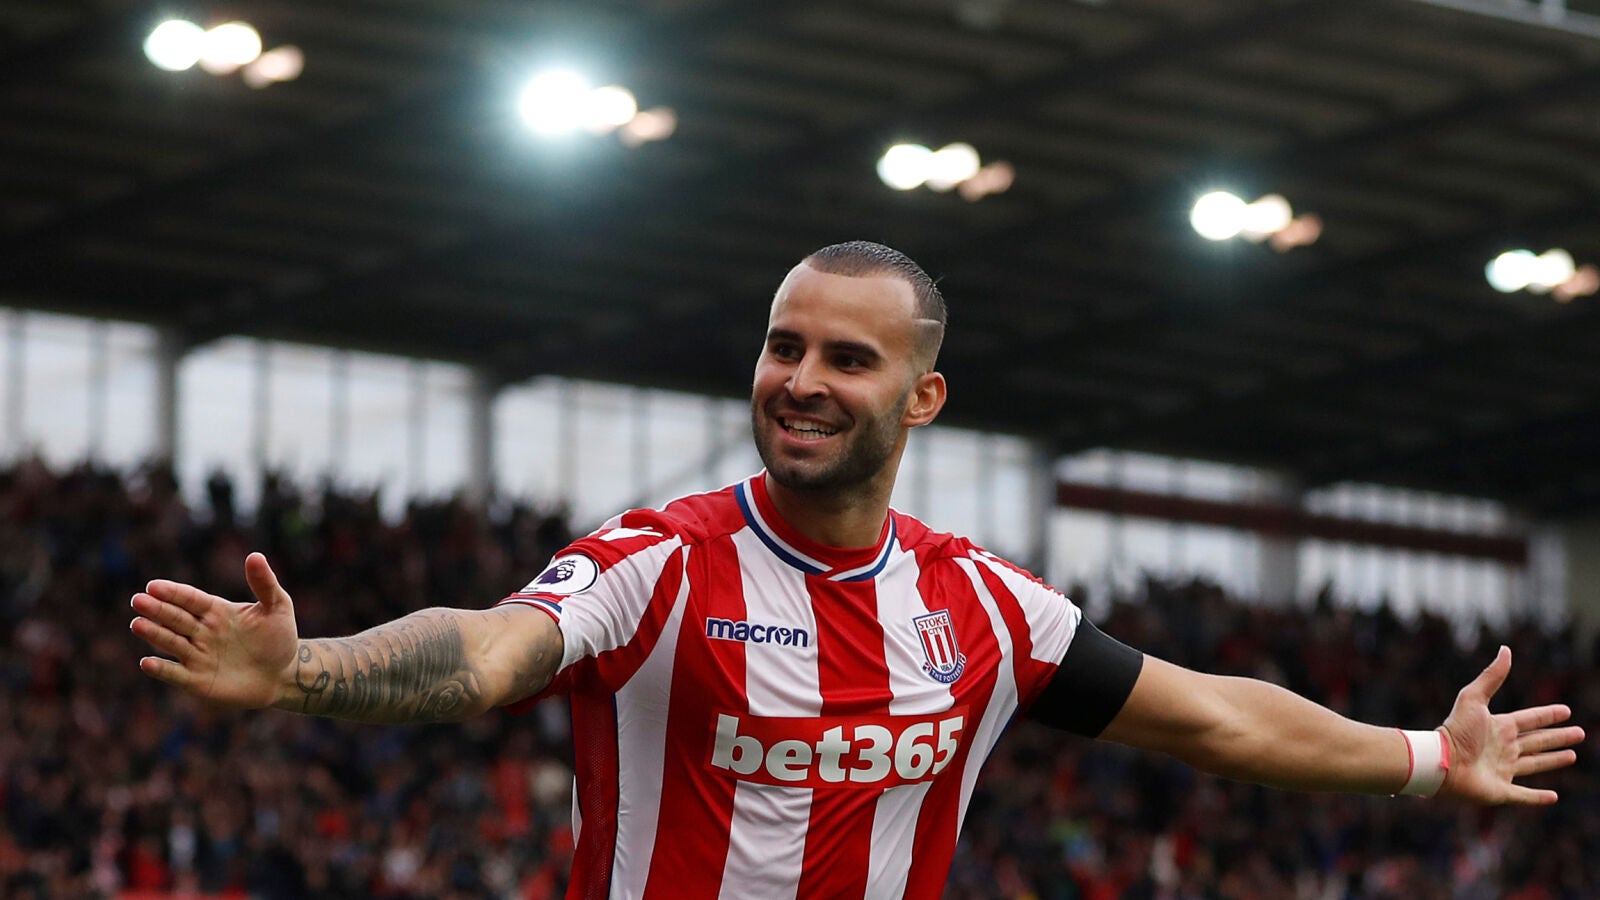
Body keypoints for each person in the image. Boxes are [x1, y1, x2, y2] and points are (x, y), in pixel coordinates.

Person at [131, 240, 1584, 899]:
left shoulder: (985, 608)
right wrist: (307, 673)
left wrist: (1420, 759)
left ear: (922, 396)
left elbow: (1212, 717)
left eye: (847, 356)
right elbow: (488, 652)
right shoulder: (659, 563)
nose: (802, 380)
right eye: (784, 346)